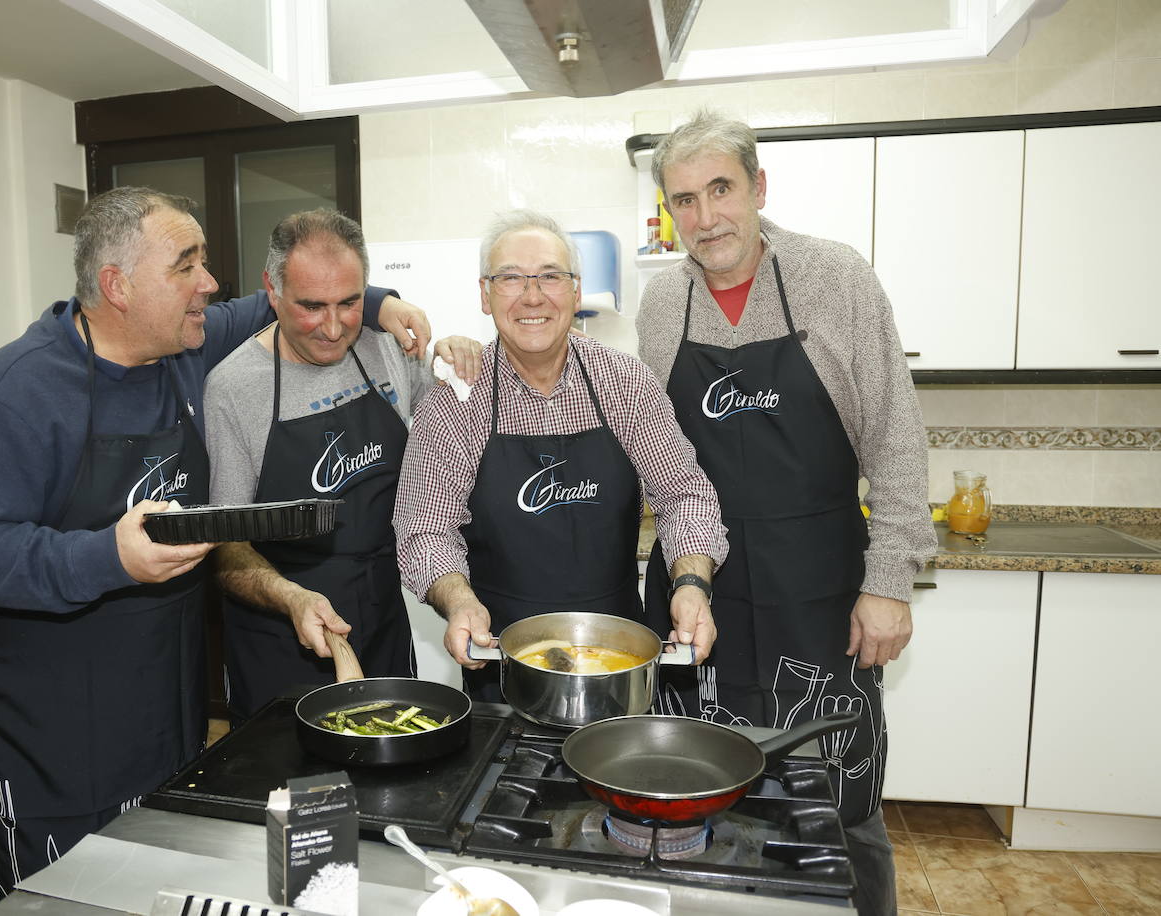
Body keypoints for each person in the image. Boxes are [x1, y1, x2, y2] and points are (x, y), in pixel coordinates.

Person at [0, 187, 432, 898]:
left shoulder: (182, 349)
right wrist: (109, 557)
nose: (210, 285)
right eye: (187, 265)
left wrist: (383, 302)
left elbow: (294, 297)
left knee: (155, 891)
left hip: (166, 713)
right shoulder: (15, 393)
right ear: (117, 287)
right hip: (51, 729)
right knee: (61, 902)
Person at [636, 111, 938, 916]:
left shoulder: (835, 279)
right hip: (703, 603)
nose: (705, 218)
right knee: (705, 797)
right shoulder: (663, 308)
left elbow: (897, 442)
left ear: (759, 187)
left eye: (721, 190)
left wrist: (891, 580)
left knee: (841, 803)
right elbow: (660, 458)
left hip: (824, 601)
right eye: (685, 200)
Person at [394, 210, 729, 700]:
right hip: (502, 664)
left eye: (550, 276)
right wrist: (460, 602)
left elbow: (684, 496)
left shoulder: (625, 382)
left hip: (619, 665)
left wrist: (692, 585)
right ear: (485, 295)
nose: (532, 295)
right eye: (510, 278)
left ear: (576, 291)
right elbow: (424, 526)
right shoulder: (455, 400)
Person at [205, 210, 479, 715]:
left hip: (381, 619)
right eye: (311, 306)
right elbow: (226, 547)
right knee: (294, 787)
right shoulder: (234, 386)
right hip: (283, 636)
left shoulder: (388, 350)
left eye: (349, 303)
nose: (332, 328)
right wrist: (292, 599)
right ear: (272, 289)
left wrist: (457, 353)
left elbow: (458, 428)